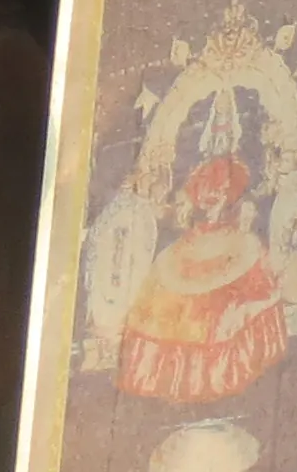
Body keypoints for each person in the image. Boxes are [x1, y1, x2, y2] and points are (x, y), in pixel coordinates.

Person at [115, 155, 286, 405]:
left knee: (221, 314)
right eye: (205, 193)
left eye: (217, 195)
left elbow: (255, 282)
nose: (210, 201)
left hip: (228, 258)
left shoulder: (244, 241)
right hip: (194, 250)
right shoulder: (179, 246)